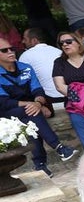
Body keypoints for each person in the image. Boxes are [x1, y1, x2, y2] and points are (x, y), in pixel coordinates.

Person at [0, 36, 77, 176]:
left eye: (12, 49)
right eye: (4, 50)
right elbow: (4, 102)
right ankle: (57, 148)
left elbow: (38, 90)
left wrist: (38, 103)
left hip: (30, 109)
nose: (11, 52)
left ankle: (41, 165)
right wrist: (34, 105)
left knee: (30, 119)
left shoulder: (26, 68)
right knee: (31, 113)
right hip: (6, 111)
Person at [19, 28, 63, 102]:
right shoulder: (58, 51)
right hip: (68, 94)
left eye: (25, 39)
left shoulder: (26, 55)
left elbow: (22, 81)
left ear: (34, 40)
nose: (23, 41)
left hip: (46, 99)